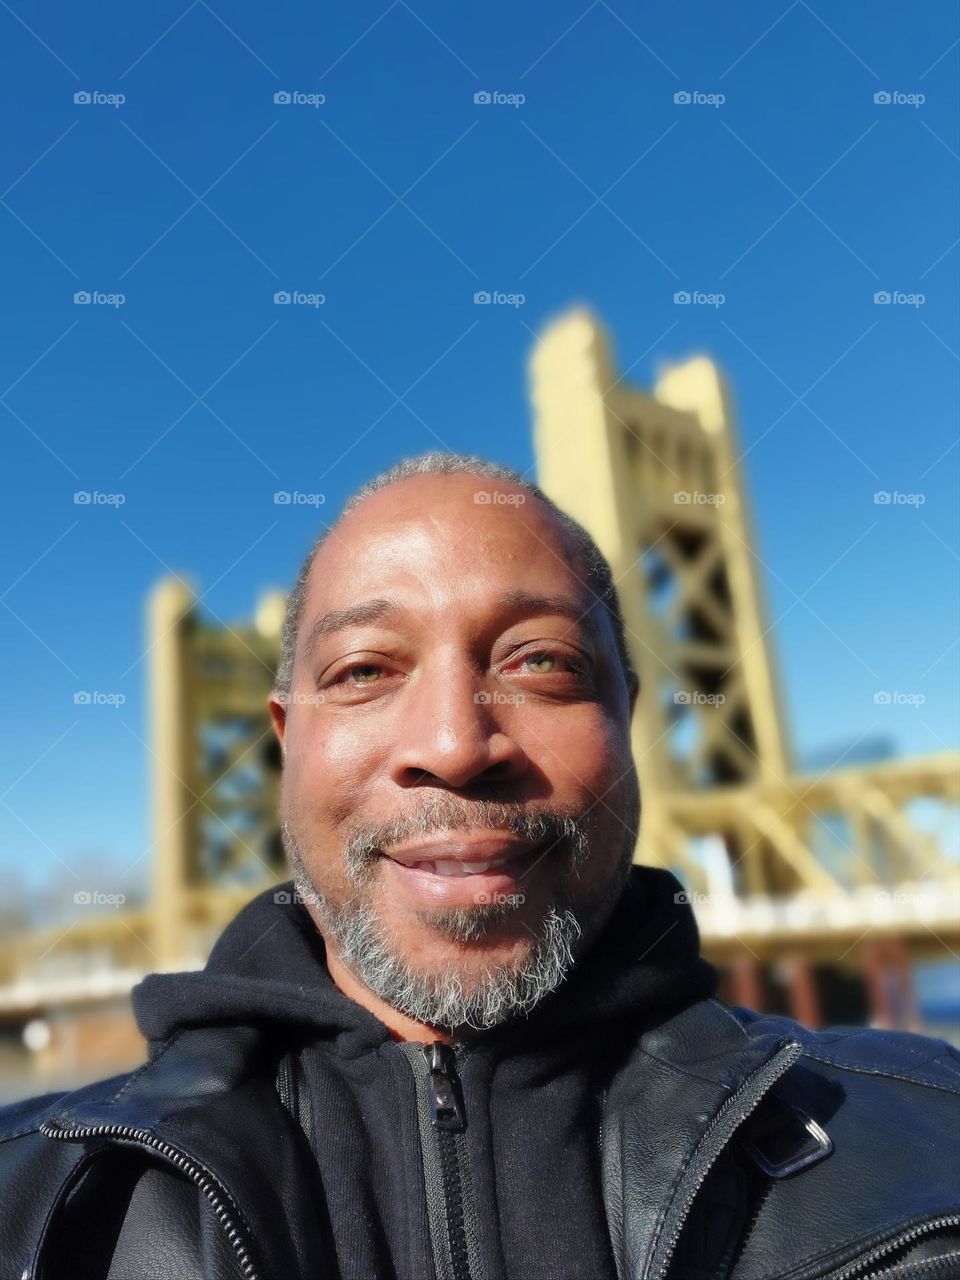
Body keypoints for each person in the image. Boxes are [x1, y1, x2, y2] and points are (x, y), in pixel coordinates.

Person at [2, 452, 958, 1280]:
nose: (456, 744)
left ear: (624, 720)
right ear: (286, 744)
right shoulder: (33, 1196)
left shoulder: (931, 1135)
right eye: (364, 671)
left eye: (541, 662)